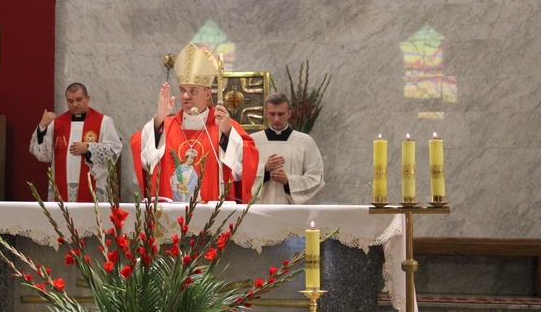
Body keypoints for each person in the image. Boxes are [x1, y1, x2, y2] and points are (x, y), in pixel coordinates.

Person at [131, 43, 259, 203]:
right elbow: (142, 153)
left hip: (210, 217)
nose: (185, 96)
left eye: (193, 90)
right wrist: (159, 118)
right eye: (182, 90)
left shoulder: (223, 125)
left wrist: (228, 133)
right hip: (171, 218)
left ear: (207, 94)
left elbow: (246, 164)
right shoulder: (167, 125)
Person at [29, 82, 122, 202]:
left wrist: (89, 148)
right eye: (70, 101)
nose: (75, 104)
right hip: (61, 186)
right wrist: (42, 126)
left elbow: (115, 149)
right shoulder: (57, 123)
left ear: (87, 98)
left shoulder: (103, 122)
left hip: (91, 187)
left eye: (79, 100)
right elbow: (42, 155)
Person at [251, 92, 324, 204]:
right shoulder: (253, 141)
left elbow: (316, 177)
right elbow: (241, 175)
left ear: (289, 113)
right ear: (265, 113)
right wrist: (264, 170)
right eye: (272, 114)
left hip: (292, 211)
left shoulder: (304, 141)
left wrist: (289, 182)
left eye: (281, 114)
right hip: (261, 207)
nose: (276, 119)